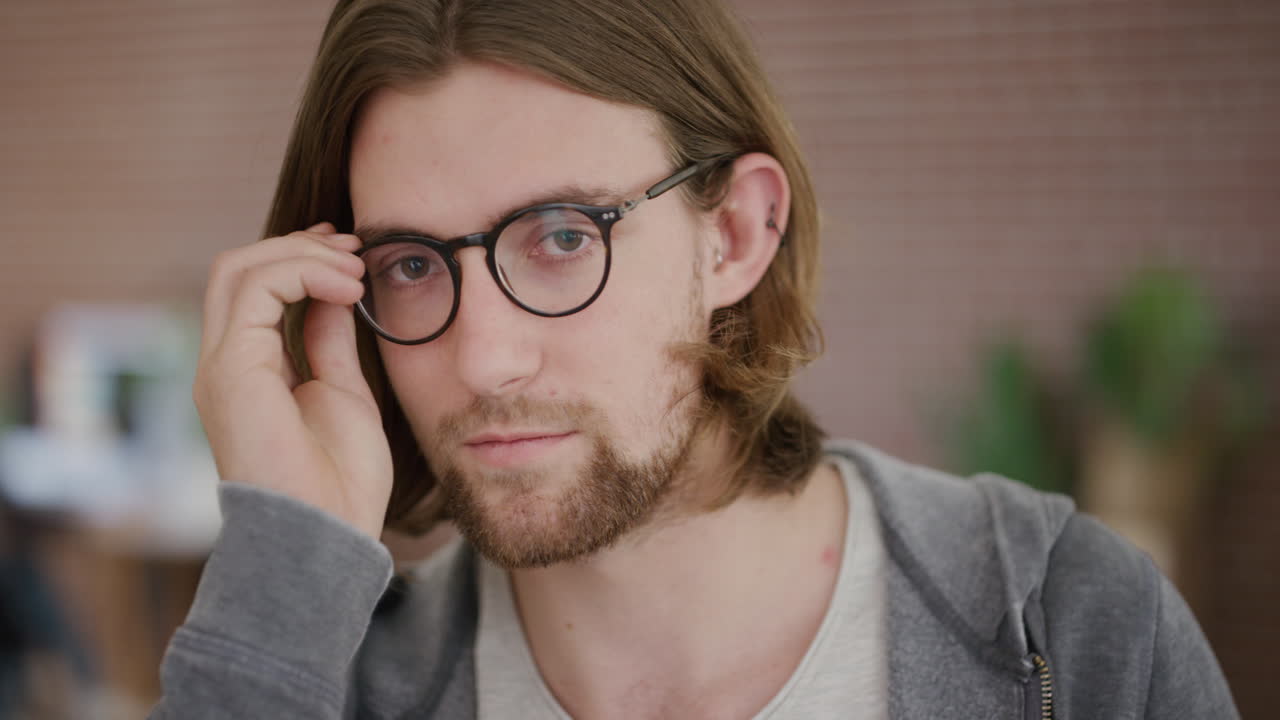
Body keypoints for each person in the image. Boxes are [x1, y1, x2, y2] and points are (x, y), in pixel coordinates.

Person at [151, 0, 1238, 717]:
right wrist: (280, 570)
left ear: (733, 235)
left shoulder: (1066, 622)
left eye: (564, 236)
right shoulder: (324, 682)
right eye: (409, 264)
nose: (483, 359)